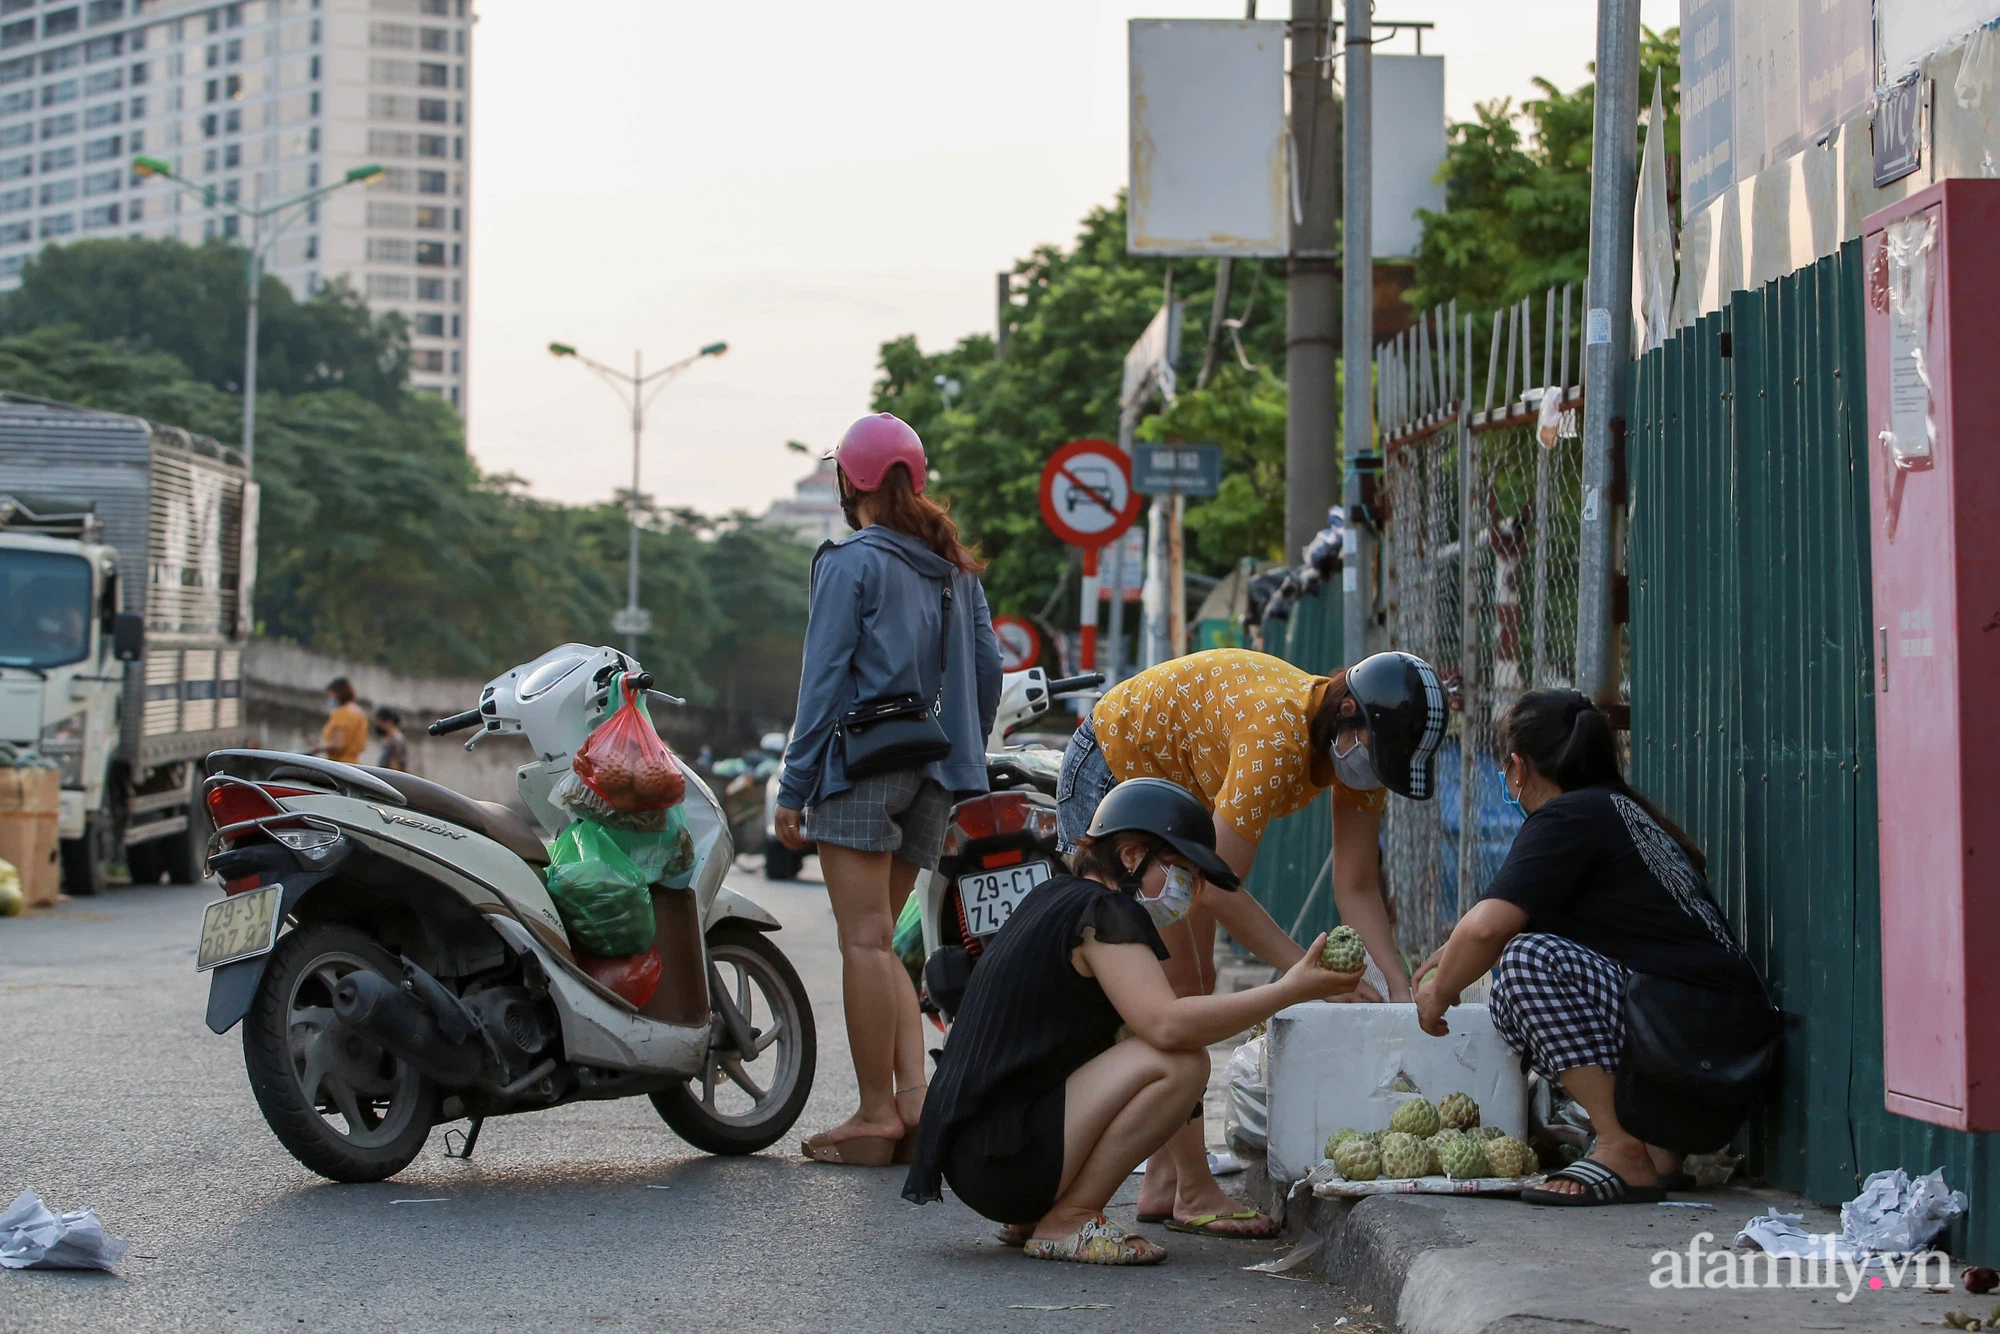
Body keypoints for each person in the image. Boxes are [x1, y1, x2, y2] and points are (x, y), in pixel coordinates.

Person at [1053, 646, 1446, 1236]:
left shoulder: (1354, 749)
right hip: (1114, 770)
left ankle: (1166, 1181)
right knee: (1177, 989)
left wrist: (1393, 981)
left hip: (1180, 804)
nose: (1375, 773)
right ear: (1345, 711)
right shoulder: (1278, 738)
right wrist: (1302, 976)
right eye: (1379, 755)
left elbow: (1358, 884)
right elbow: (1212, 889)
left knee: (1197, 983)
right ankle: (1190, 1187)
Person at [904, 779, 1361, 1265]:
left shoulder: (1057, 897)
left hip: (984, 1158)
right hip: (1002, 1163)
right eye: (1180, 870)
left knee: (1144, 1043)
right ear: (1131, 856)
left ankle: (1039, 1215)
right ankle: (1070, 1218)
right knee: (1182, 1065)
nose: (1190, 891)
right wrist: (1288, 991)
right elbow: (1167, 1024)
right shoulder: (1103, 912)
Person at [1413, 689, 1778, 1207]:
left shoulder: (1567, 817)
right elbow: (1490, 930)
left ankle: (1618, 1145)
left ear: (1518, 768)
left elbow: (1488, 930)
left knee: (1525, 967)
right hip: (1720, 1049)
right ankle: (1657, 1155)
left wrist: (1438, 994)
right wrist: (1454, 950)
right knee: (1525, 957)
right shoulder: (1620, 813)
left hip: (1694, 1046)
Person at [774, 412, 1003, 1166]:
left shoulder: (850, 564)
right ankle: (912, 1104)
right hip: (936, 770)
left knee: (865, 942)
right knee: (884, 944)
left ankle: (874, 1114)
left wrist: (794, 783)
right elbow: (986, 675)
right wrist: (960, 748)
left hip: (861, 767)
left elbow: (822, 683)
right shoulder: (951, 569)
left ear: (851, 481)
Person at [315, 678, 368, 765]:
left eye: (331, 696)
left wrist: (318, 747)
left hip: (339, 764)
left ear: (338, 693)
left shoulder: (341, 713)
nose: (330, 699)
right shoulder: (359, 713)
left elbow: (338, 744)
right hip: (354, 764)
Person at [372, 706, 410, 772]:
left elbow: (395, 769)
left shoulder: (396, 742)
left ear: (389, 722)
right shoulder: (389, 740)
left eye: (379, 721)